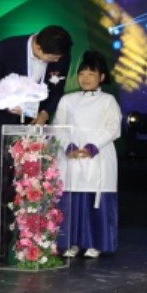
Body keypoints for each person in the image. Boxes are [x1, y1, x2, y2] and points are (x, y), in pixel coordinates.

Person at [0, 25, 72, 257]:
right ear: (38, 47)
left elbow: (57, 89)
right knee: (0, 185)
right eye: (53, 57)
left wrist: (44, 113)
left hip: (35, 127)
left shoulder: (61, 53)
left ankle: (33, 241)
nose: (58, 61)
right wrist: (8, 103)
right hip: (2, 125)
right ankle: (0, 241)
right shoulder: (6, 48)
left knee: (35, 184)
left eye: (59, 58)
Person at [53, 50, 121, 259]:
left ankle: (95, 243)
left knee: (94, 200)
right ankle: (71, 242)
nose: (85, 78)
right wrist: (68, 146)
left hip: (98, 157)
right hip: (72, 157)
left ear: (101, 77)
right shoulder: (67, 100)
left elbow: (113, 128)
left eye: (91, 74)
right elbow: (58, 126)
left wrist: (92, 146)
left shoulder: (108, 100)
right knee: (72, 201)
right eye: (82, 74)